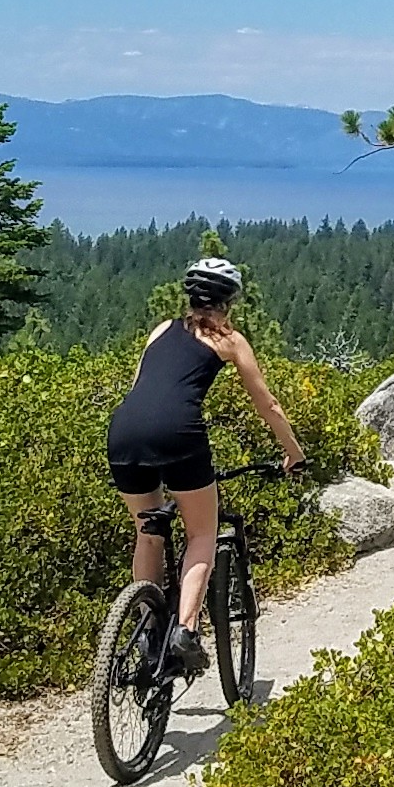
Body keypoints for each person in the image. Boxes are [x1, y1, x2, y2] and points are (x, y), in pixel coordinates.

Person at [104, 254, 299, 680]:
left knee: (148, 531)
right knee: (202, 533)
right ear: (228, 302)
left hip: (123, 429)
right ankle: (185, 632)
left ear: (189, 296)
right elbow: (267, 404)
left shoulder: (161, 330)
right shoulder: (230, 341)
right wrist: (293, 452)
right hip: (178, 433)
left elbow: (142, 388)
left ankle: (149, 633)